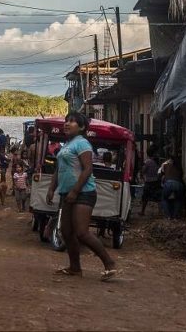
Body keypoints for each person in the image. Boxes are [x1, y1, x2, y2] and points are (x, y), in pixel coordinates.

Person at [46, 112, 118, 281]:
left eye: (72, 121)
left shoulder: (82, 143)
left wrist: (75, 191)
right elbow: (58, 169)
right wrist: (51, 189)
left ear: (82, 127)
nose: (67, 124)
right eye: (66, 121)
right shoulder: (66, 145)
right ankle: (75, 268)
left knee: (82, 232)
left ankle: (109, 263)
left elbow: (87, 169)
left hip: (84, 193)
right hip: (67, 194)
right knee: (66, 232)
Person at [159, 154, 184, 220]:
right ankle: (175, 216)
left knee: (164, 199)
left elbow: (161, 174)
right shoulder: (179, 166)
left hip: (168, 184)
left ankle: (168, 216)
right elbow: (181, 176)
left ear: (170, 160)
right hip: (179, 184)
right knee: (178, 200)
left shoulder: (165, 165)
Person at [140, 144, 161, 216]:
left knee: (145, 197)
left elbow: (143, 171)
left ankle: (142, 211)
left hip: (149, 182)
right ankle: (160, 212)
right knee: (158, 197)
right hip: (156, 181)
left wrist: (142, 175)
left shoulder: (148, 162)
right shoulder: (158, 161)